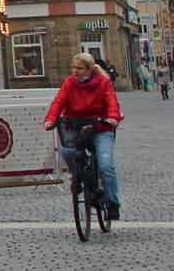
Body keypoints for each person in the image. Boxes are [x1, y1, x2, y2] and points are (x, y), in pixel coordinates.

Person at [43, 52, 123, 220]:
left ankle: (112, 203)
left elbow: (111, 102)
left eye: (79, 68)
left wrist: (113, 118)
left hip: (101, 127)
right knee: (68, 152)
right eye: (73, 68)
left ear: (89, 69)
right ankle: (77, 177)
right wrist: (50, 120)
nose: (75, 71)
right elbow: (59, 102)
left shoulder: (104, 82)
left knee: (106, 165)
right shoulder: (70, 83)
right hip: (76, 125)